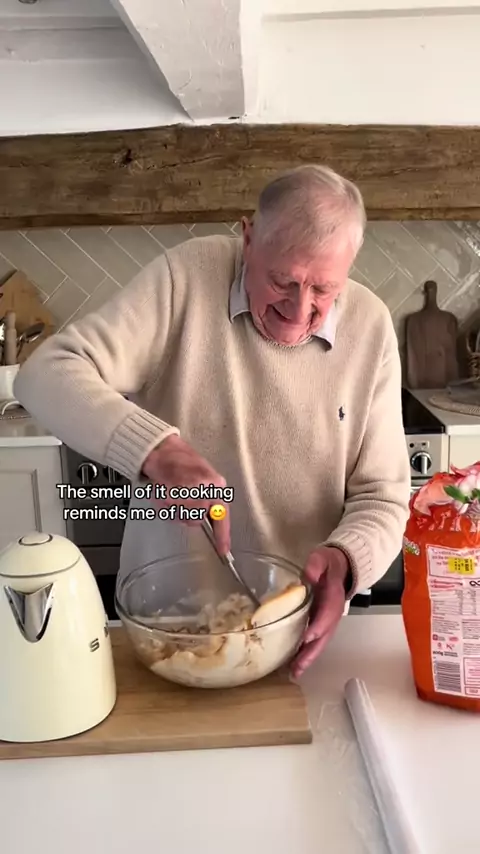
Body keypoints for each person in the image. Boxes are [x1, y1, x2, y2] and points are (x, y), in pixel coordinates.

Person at [14, 164, 410, 677]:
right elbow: (44, 374)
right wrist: (154, 451)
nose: (299, 311)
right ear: (248, 237)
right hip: (168, 627)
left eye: (324, 290)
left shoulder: (371, 327)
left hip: (298, 632)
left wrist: (347, 562)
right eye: (283, 281)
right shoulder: (186, 277)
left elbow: (382, 498)